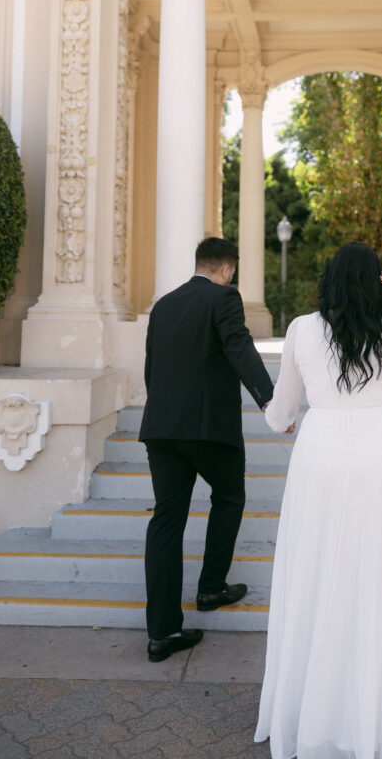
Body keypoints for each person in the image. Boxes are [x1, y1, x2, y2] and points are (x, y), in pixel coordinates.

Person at [255, 243, 382, 759]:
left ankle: (314, 713)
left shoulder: (302, 328)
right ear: (377, 281)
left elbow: (281, 410)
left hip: (319, 456)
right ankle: (372, 714)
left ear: (328, 279)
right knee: (379, 579)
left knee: (317, 574)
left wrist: (279, 418)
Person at [140, 236, 275, 663]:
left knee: (166, 522)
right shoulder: (225, 298)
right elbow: (239, 346)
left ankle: (162, 633)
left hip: (161, 428)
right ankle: (211, 587)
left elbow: (151, 367)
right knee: (230, 496)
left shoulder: (163, 305)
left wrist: (163, 413)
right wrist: (270, 399)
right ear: (227, 269)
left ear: (198, 263)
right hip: (209, 429)